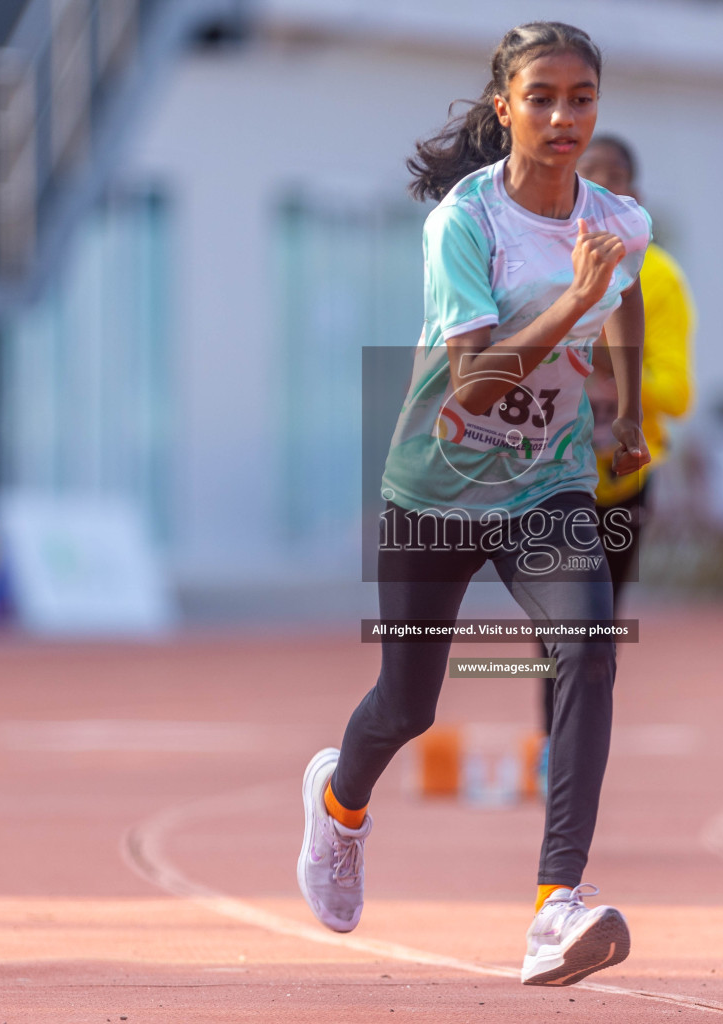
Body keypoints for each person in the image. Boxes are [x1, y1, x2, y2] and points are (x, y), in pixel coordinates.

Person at [296, 22, 651, 986]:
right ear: (506, 108)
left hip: (547, 483)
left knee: (588, 646)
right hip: (437, 483)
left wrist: (624, 402)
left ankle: (554, 907)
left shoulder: (621, 223)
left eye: (581, 98)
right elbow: (473, 389)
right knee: (408, 707)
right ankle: (341, 806)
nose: (563, 116)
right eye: (542, 97)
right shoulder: (465, 222)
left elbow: (628, 291)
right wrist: (573, 305)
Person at [535, 134, 695, 744]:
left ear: (636, 194)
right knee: (554, 628)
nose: (601, 190)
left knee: (595, 633)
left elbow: (678, 392)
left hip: (622, 481)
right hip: (547, 478)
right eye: (587, 176)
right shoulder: (541, 262)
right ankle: (555, 751)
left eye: (615, 178)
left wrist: (614, 378)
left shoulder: (659, 278)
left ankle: (577, 751)